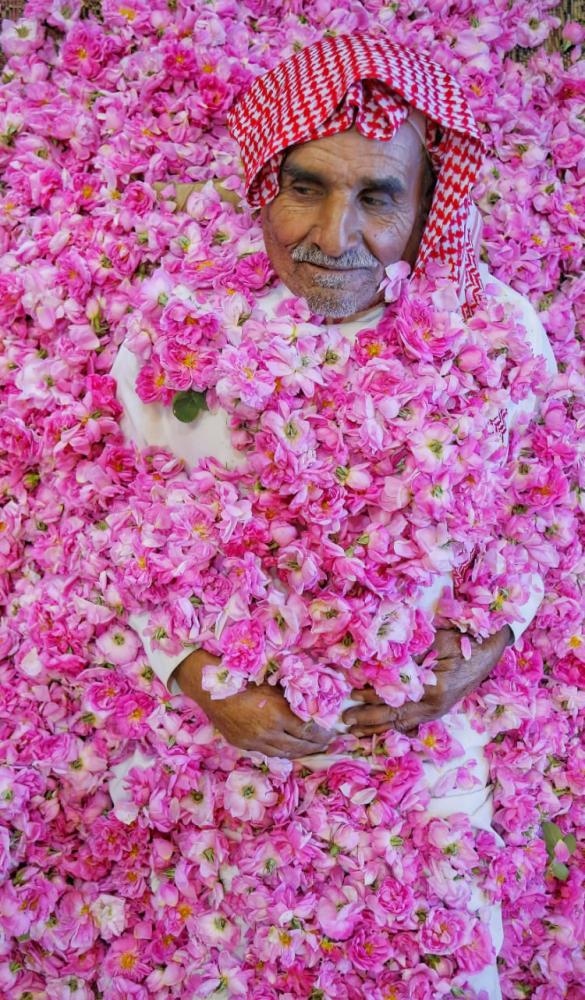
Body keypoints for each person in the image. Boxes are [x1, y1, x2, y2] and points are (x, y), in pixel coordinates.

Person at [109, 32, 556, 996]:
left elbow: (540, 508)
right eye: (305, 187)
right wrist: (198, 680)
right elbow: (131, 527)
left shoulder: (498, 335)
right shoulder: (172, 339)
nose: (332, 236)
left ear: (428, 205)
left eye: (378, 197)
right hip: (229, 768)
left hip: (418, 762)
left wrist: (485, 644)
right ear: (263, 182)